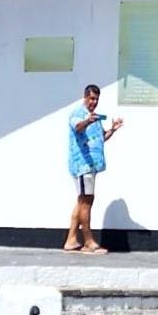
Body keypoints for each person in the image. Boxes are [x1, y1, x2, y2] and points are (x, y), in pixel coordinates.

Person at [66, 82, 122, 253]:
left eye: (96, 99)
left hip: (93, 165)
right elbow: (78, 126)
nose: (93, 102)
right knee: (87, 202)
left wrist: (112, 129)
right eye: (91, 99)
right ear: (85, 97)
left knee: (82, 201)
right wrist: (87, 121)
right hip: (82, 165)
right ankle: (88, 241)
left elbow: (100, 138)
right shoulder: (78, 114)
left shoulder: (94, 116)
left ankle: (71, 240)